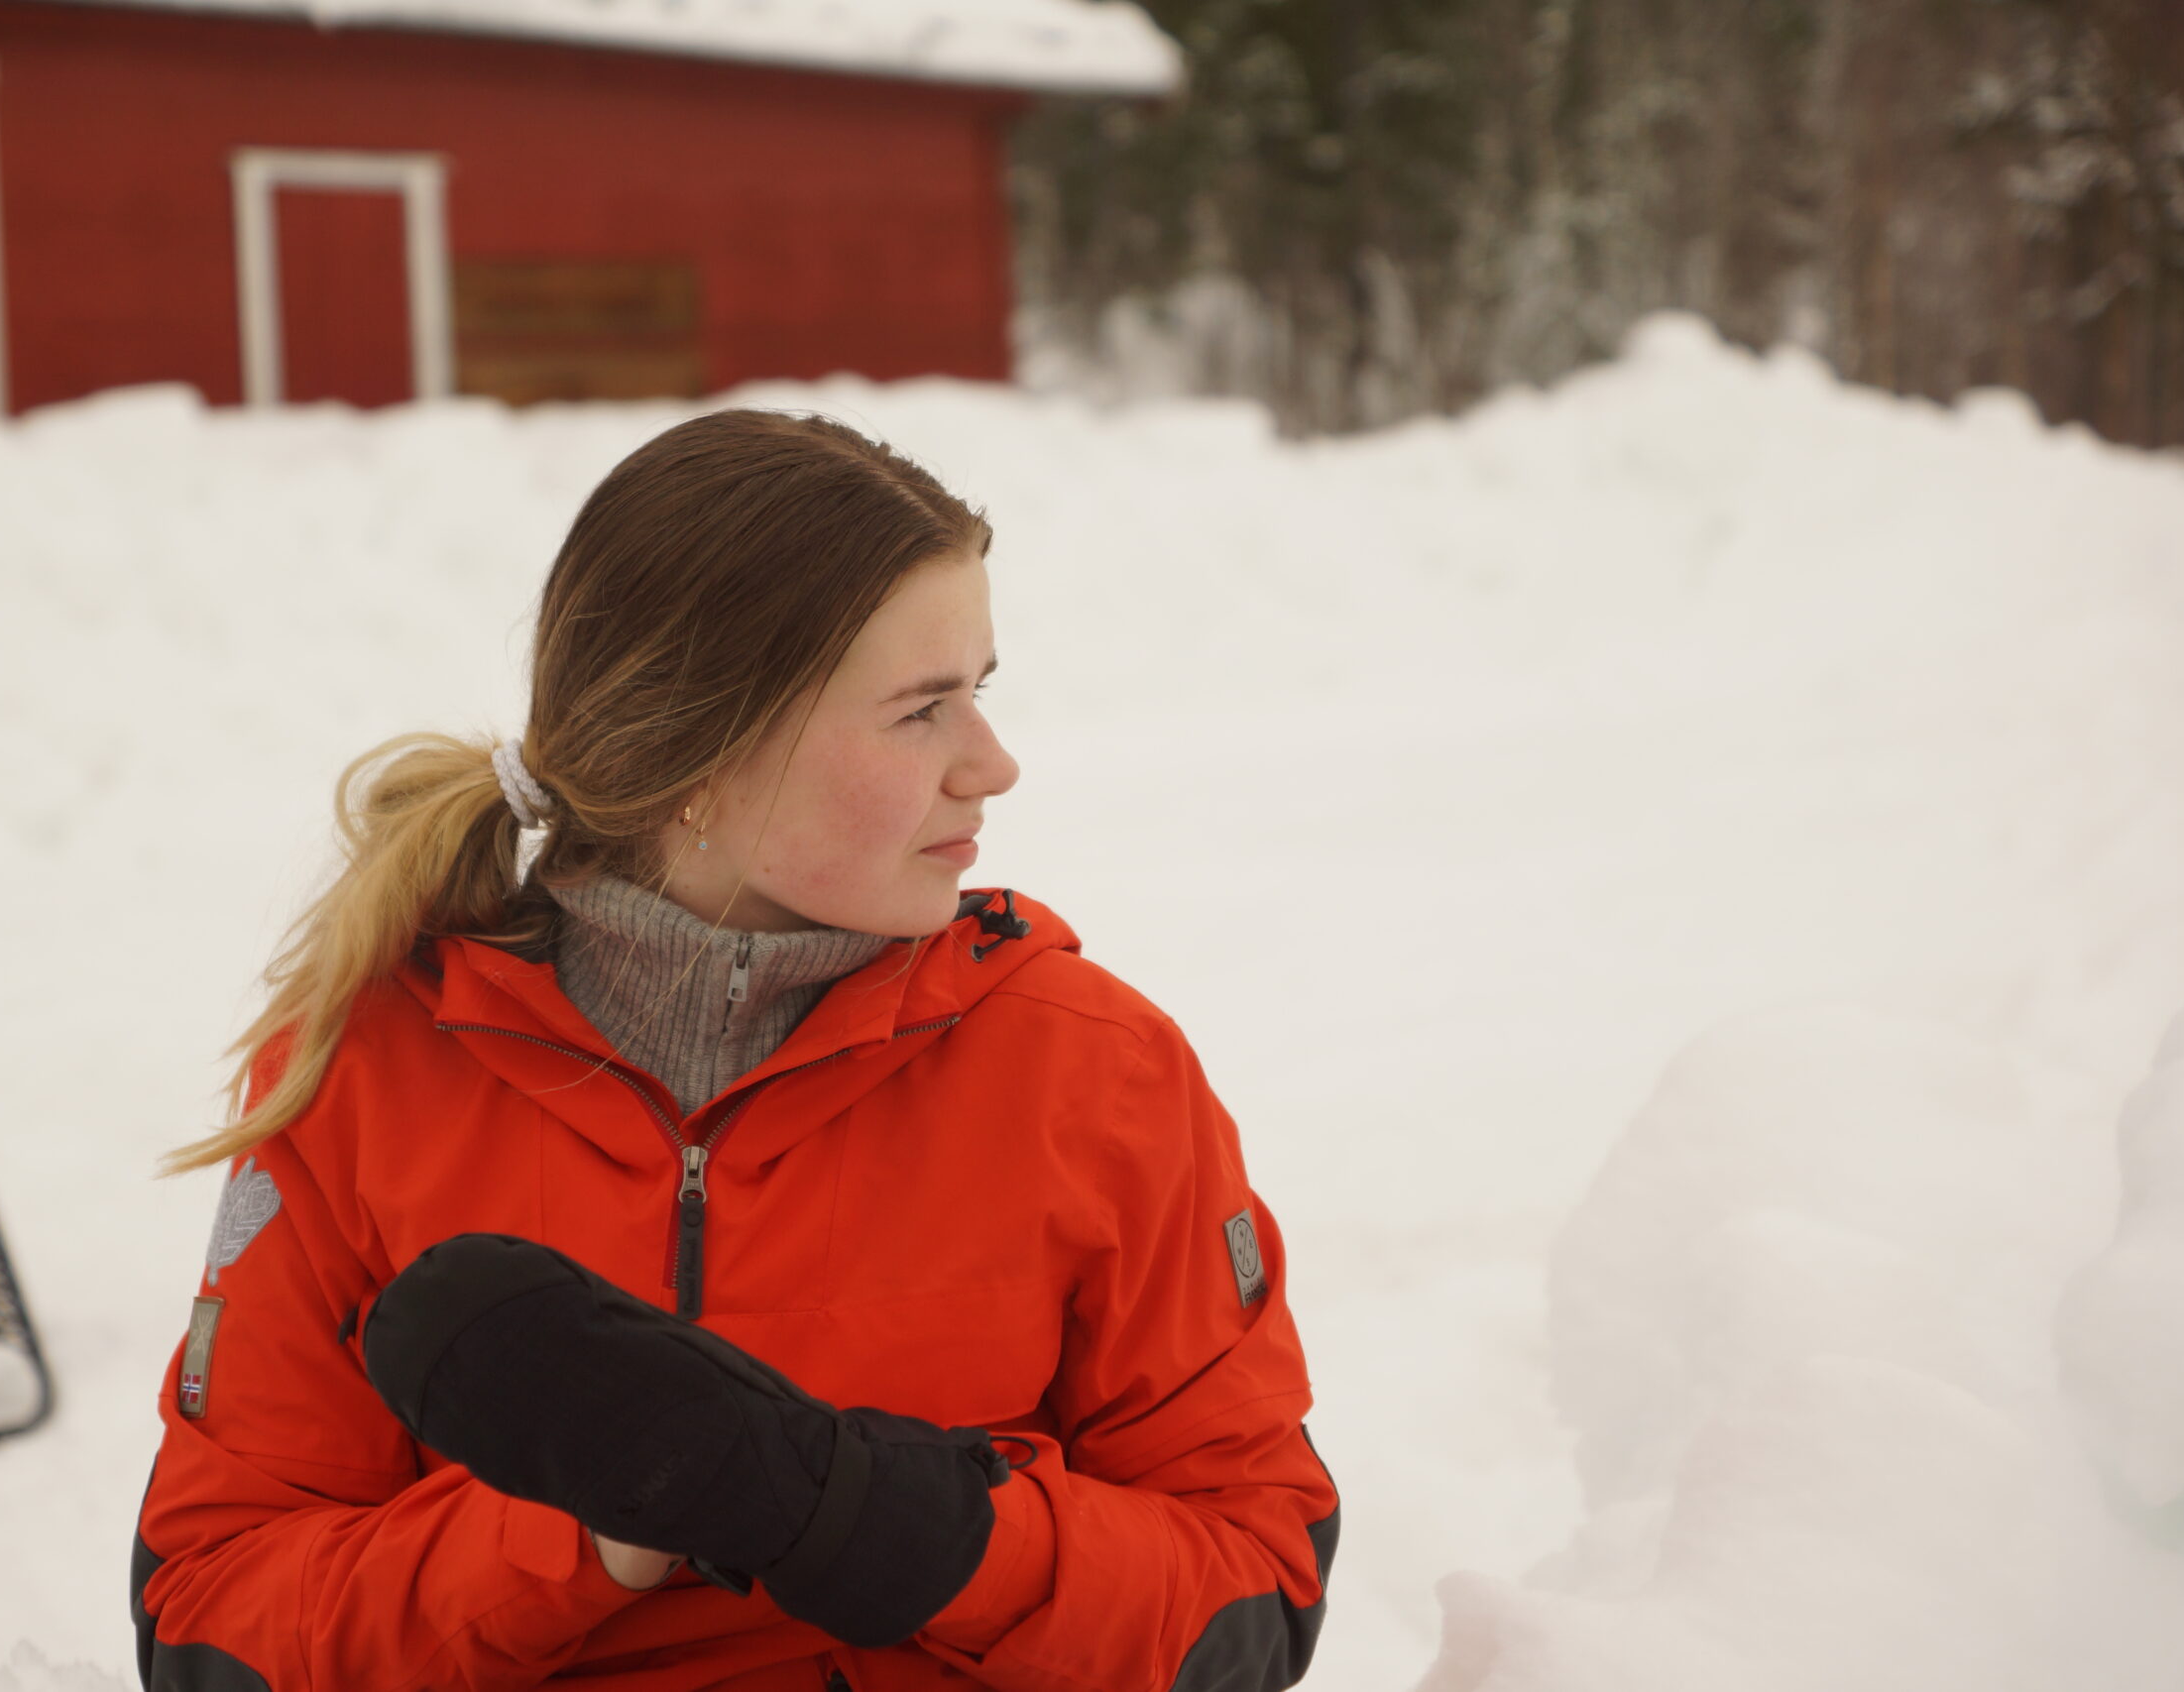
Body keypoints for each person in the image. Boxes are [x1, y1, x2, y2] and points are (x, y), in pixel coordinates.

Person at [131, 408, 1340, 1692]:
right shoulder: (367, 1076)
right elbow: (214, 1629)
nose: (993, 765)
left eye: (980, 693)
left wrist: (882, 1517)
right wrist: (596, 1521)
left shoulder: (1097, 1070)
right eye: (921, 711)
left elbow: (1253, 1596)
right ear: (693, 756)